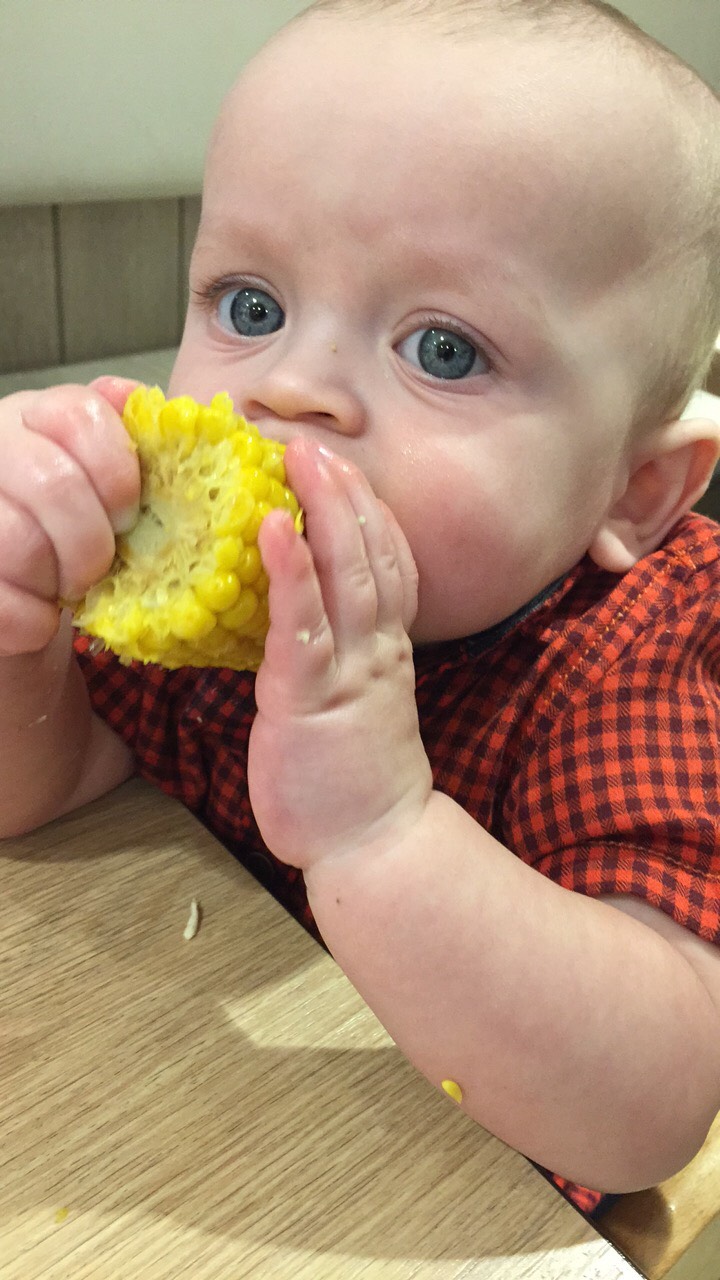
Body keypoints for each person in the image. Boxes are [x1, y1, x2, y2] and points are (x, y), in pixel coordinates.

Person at [1, 0, 720, 1217]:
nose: (289, 389)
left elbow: (650, 1112)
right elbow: (53, 784)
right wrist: (19, 641)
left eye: (442, 349)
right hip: (181, 1118)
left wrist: (378, 827)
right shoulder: (227, 607)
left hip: (457, 1204)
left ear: (634, 489)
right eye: (249, 305)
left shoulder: (642, 648)